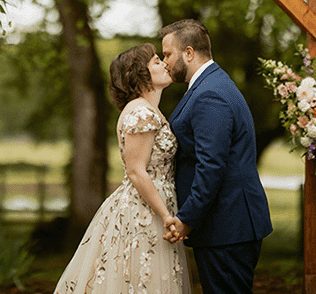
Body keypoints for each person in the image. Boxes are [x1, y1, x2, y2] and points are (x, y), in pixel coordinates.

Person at [53, 43, 192, 294]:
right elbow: (136, 171)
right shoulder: (141, 112)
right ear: (140, 75)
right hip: (146, 211)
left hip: (152, 204)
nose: (163, 64)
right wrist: (166, 216)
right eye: (156, 61)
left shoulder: (149, 110)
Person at [160, 19, 273, 294]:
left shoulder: (210, 94)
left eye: (167, 54)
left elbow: (211, 166)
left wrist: (187, 219)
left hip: (227, 225)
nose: (164, 62)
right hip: (225, 225)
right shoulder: (210, 85)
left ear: (188, 53)